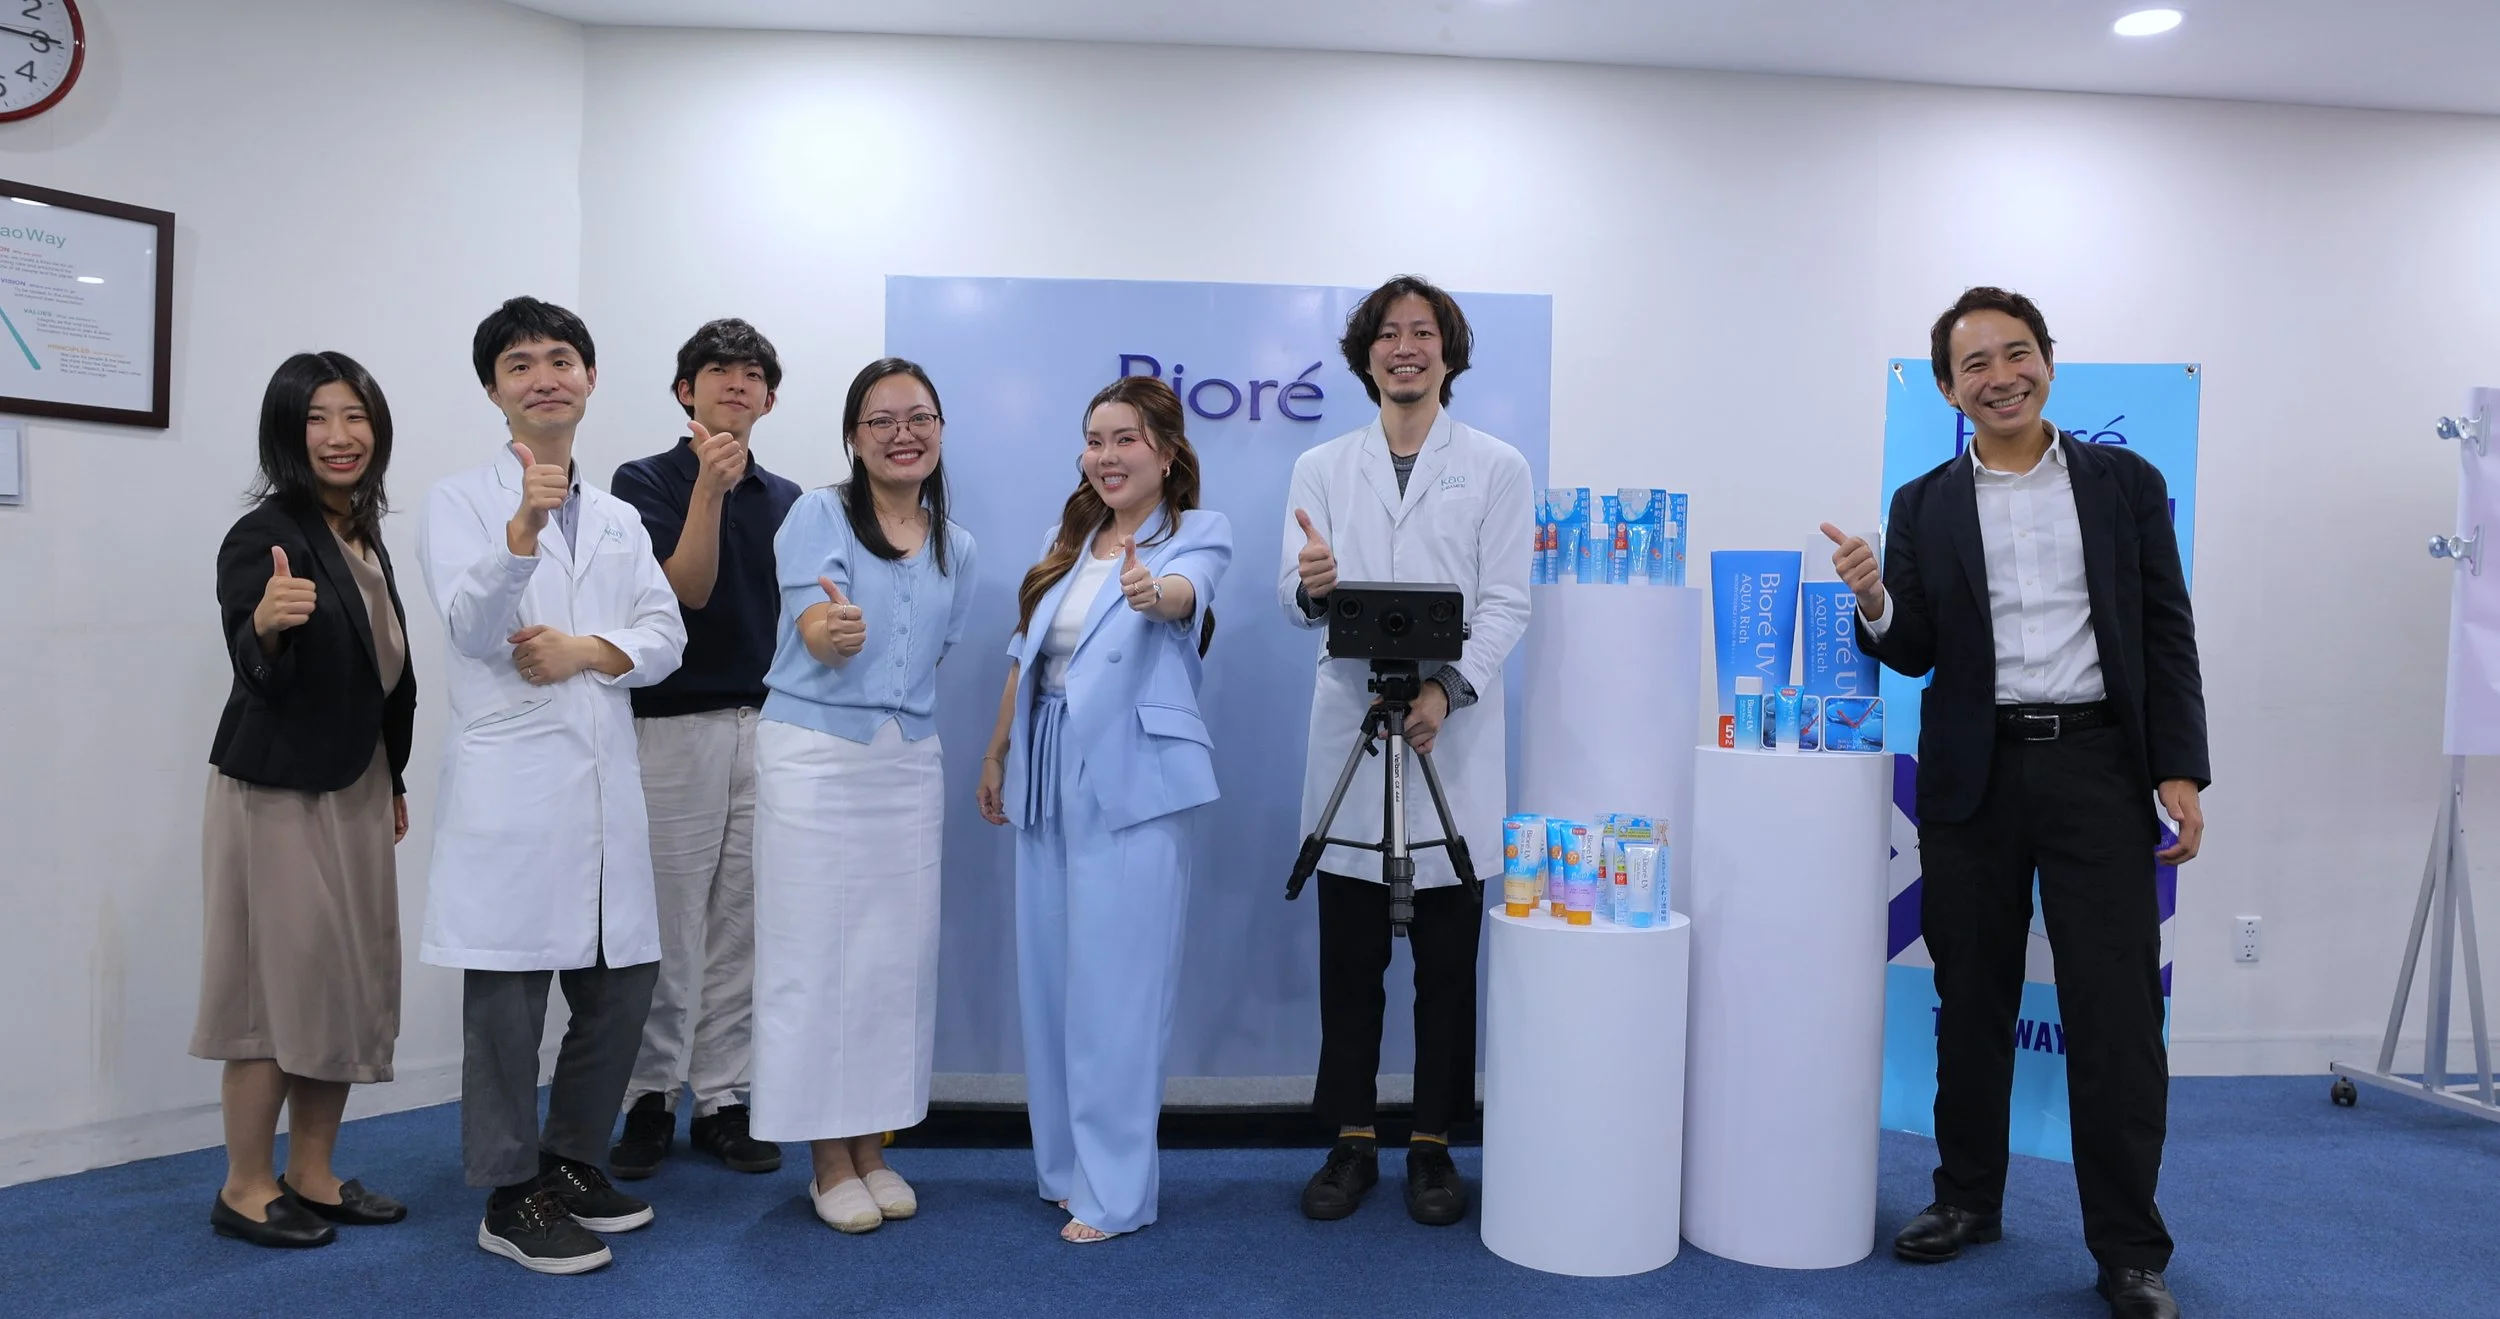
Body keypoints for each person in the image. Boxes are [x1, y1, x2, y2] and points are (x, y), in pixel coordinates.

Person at [1826, 286, 2207, 1319]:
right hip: (1971, 779)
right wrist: (1872, 596)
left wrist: (2180, 768)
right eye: (1975, 364)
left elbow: (2165, 631)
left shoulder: (2125, 482)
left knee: (2117, 1015)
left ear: (2048, 360)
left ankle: (2129, 1248)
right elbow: (1911, 650)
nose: (2000, 376)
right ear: (1948, 387)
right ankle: (1966, 1198)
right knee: (1974, 1000)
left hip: (2097, 772)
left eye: (2016, 353)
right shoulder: (1922, 504)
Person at [417, 296, 686, 1276]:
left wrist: (587, 647)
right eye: (521, 363)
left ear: (589, 378)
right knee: (508, 1003)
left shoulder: (617, 514)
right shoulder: (457, 500)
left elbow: (665, 635)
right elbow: (470, 623)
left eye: (561, 358)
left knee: (622, 984)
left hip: (601, 779)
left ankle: (571, 1159)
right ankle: (506, 1191)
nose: (545, 376)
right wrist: (521, 531)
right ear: (495, 388)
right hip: (514, 788)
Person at [1282, 275, 1532, 1227]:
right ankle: (1350, 1143)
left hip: (1451, 746)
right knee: (1348, 964)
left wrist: (1445, 690)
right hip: (1350, 731)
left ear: (1448, 352)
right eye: (1388, 335)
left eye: (1422, 333)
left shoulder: (1497, 465)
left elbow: (1507, 601)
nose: (1405, 348)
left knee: (1446, 968)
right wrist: (1312, 586)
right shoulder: (1321, 465)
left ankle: (1433, 1146)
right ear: (1366, 356)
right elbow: (1292, 595)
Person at [976, 376, 1231, 1244]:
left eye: (1125, 439)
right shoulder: (1073, 534)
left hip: (1135, 773)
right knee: (1049, 980)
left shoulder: (1196, 533)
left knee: (1118, 992)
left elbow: (1185, 594)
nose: (1106, 455)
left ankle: (1117, 1192)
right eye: (1094, 438)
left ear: (1166, 450)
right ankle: (1065, 1170)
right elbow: (1026, 650)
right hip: (1045, 765)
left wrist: (1151, 591)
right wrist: (999, 748)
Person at [195, 352, 417, 1249]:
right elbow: (252, 668)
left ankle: (313, 1172)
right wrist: (264, 629)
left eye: (355, 415)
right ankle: (245, 1184)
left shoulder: (364, 531)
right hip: (279, 789)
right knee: (273, 990)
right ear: (288, 431)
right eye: (318, 417)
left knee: (346, 983)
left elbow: (378, 676)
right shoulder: (265, 535)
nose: (340, 435)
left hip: (356, 783)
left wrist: (391, 779)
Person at [751, 358, 976, 1234]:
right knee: (816, 959)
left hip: (907, 763)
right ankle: (824, 1158)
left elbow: (939, 647)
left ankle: (872, 1146)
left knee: (892, 964)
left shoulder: (962, 545)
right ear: (853, 436)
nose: (901, 433)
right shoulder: (819, 512)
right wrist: (830, 631)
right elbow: (816, 616)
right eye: (880, 421)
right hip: (815, 756)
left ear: (940, 430)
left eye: (918, 417)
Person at [606, 319, 800, 1181]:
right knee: (666, 921)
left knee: (740, 925)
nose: (734, 383)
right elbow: (683, 594)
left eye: (750, 373)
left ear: (768, 396)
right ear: (686, 389)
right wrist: (710, 490)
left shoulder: (793, 499)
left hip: (765, 725)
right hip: (670, 723)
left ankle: (723, 1096)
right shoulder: (642, 482)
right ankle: (649, 1095)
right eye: (716, 370)